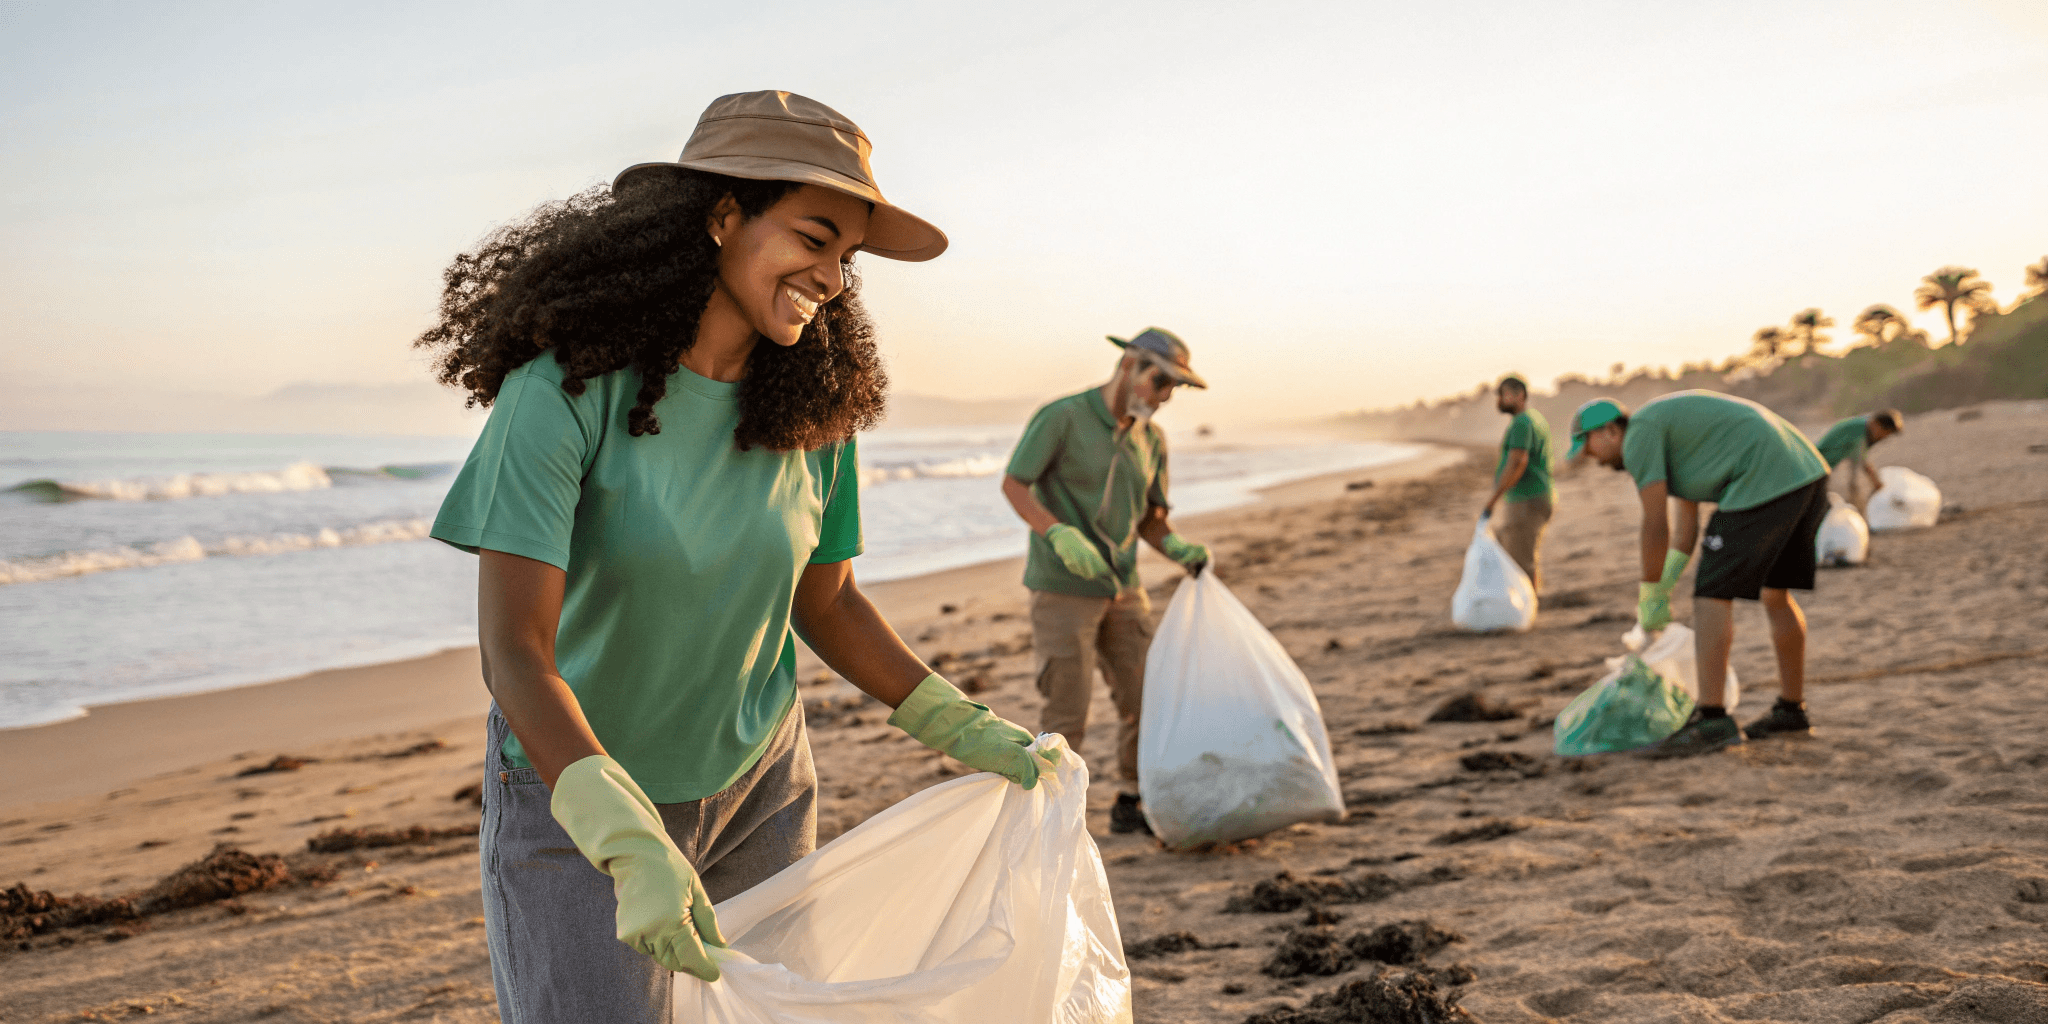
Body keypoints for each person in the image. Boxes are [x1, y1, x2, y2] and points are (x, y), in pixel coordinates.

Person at [419, 91, 1053, 1022]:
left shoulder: (812, 411)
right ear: (722, 219)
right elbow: (516, 647)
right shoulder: (562, 391)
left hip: (762, 786)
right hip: (578, 796)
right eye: (814, 237)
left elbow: (827, 601)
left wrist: (955, 722)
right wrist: (619, 833)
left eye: (847, 257)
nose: (833, 275)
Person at [1000, 328, 1212, 834]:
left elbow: (1152, 521)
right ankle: (1051, 819)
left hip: (1123, 588)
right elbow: (1015, 482)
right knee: (1067, 710)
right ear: (1129, 366)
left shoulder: (1151, 440)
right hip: (1061, 587)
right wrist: (1057, 534)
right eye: (1159, 381)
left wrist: (1177, 547)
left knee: (1144, 697)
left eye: (1173, 388)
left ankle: (1130, 801)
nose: (1163, 396)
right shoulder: (1063, 417)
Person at [1568, 390, 1831, 757]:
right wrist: (1667, 583)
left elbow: (1655, 525)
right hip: (1805, 473)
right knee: (1775, 594)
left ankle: (1713, 720)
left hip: (1762, 475)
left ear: (1611, 431)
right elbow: (1684, 528)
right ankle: (1791, 709)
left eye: (1588, 445)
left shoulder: (1640, 434)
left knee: (1711, 595)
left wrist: (1649, 593)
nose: (1590, 457)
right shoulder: (1670, 434)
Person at [1481, 375, 1555, 590]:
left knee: (1520, 562)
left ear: (1519, 395)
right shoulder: (1533, 419)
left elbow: (1517, 462)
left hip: (1526, 499)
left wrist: (1493, 499)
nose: (1499, 401)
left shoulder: (1522, 423)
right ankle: (1530, 602)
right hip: (1535, 496)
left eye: (1503, 395)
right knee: (1522, 554)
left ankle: (1529, 609)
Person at [1813, 409, 1904, 506]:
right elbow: (1859, 464)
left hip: (1822, 467)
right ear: (1876, 424)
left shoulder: (1863, 424)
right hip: (1818, 467)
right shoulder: (1859, 433)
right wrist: (1875, 483)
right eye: (1885, 433)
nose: (1884, 437)